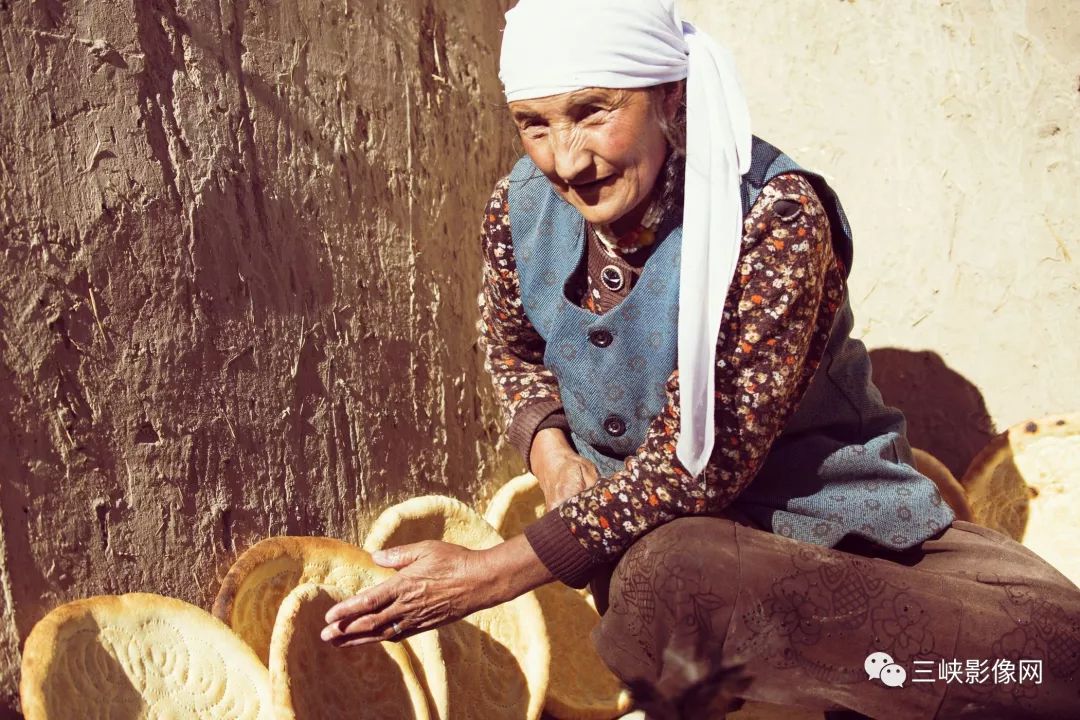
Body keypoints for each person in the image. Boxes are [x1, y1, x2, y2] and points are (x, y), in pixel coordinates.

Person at [321, 1, 1080, 716]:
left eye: (593, 111)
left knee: (1050, 656)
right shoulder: (517, 206)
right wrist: (552, 455)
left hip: (841, 544)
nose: (566, 158)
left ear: (670, 96)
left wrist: (489, 574)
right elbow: (514, 350)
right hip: (681, 562)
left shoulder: (774, 215)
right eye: (534, 124)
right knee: (670, 582)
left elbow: (702, 462)